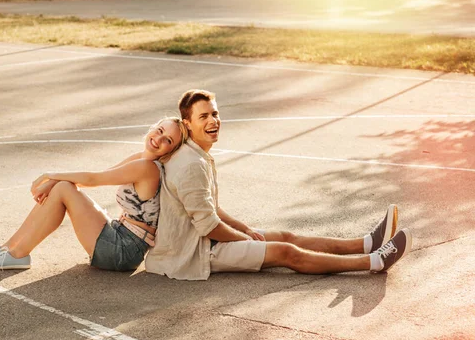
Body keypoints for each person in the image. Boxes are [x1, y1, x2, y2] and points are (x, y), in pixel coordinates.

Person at [145, 90, 412, 280]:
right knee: (285, 252)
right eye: (203, 117)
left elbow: (210, 209)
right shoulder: (191, 164)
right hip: (194, 252)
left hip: (204, 239)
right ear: (188, 124)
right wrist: (245, 238)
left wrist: (245, 228)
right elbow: (208, 225)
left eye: (214, 113)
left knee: (285, 236)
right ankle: (374, 261)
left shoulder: (196, 155)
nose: (213, 121)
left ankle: (367, 243)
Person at [0, 117, 188, 271]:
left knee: (64, 188)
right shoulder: (141, 158)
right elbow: (102, 176)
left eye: (168, 140)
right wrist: (57, 181)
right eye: (160, 130)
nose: (159, 139)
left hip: (123, 251)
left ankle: (18, 255)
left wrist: (52, 176)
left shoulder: (147, 168)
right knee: (63, 188)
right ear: (153, 127)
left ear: (170, 150)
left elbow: (94, 179)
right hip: (120, 234)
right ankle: (9, 247)